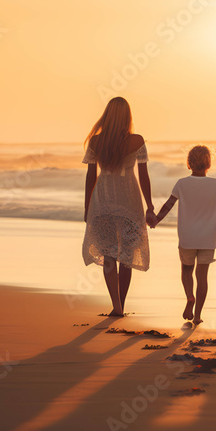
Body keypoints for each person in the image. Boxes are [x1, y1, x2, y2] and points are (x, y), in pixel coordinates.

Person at [151, 145, 216, 325]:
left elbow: (168, 205)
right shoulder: (214, 183)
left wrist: (155, 220)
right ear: (208, 164)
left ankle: (189, 297)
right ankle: (198, 314)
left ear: (189, 163)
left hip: (187, 237)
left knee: (186, 270)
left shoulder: (182, 183)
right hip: (207, 238)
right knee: (202, 277)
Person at [82, 97, 156, 317]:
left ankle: (116, 304)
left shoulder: (96, 142)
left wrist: (88, 207)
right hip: (129, 200)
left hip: (102, 200)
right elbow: (144, 176)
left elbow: (90, 177)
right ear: (127, 116)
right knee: (126, 255)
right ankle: (120, 304)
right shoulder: (137, 140)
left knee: (108, 254)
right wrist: (150, 205)